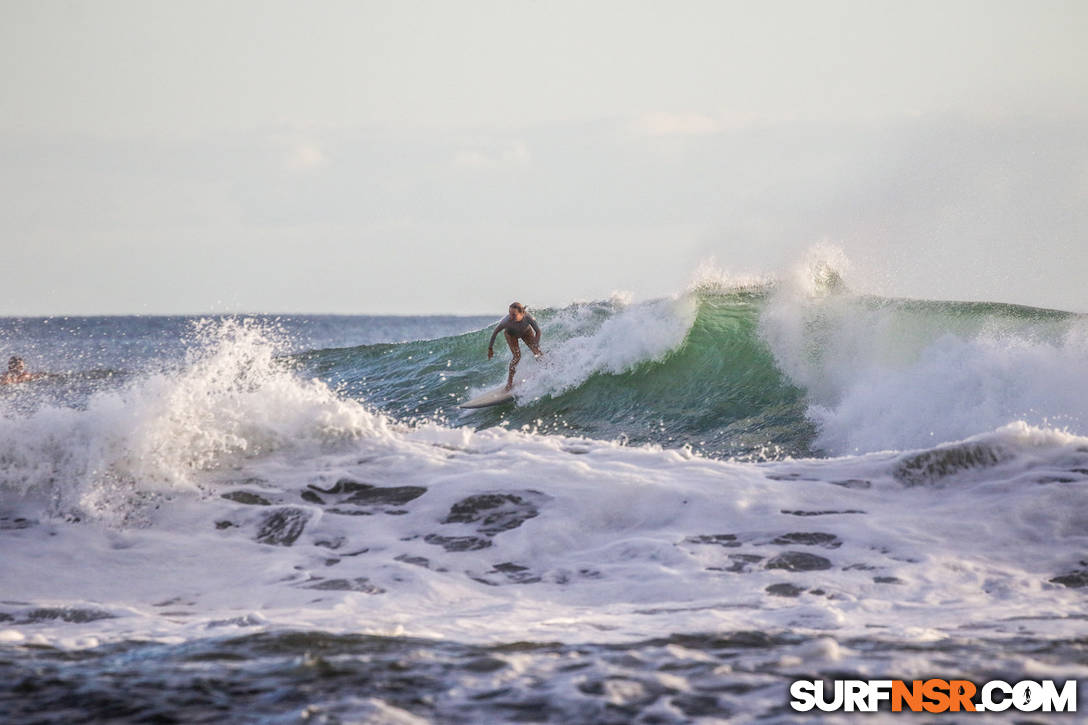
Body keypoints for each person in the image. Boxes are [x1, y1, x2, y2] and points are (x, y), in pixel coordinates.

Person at [488, 302, 542, 391]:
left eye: (514, 314)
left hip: (526, 332)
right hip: (511, 335)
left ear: (522, 313)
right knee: (517, 357)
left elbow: (538, 331)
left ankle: (547, 368)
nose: (511, 316)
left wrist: (536, 343)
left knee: (537, 351)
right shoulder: (506, 321)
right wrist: (490, 348)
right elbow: (495, 332)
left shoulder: (528, 317)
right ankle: (509, 382)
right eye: (509, 313)